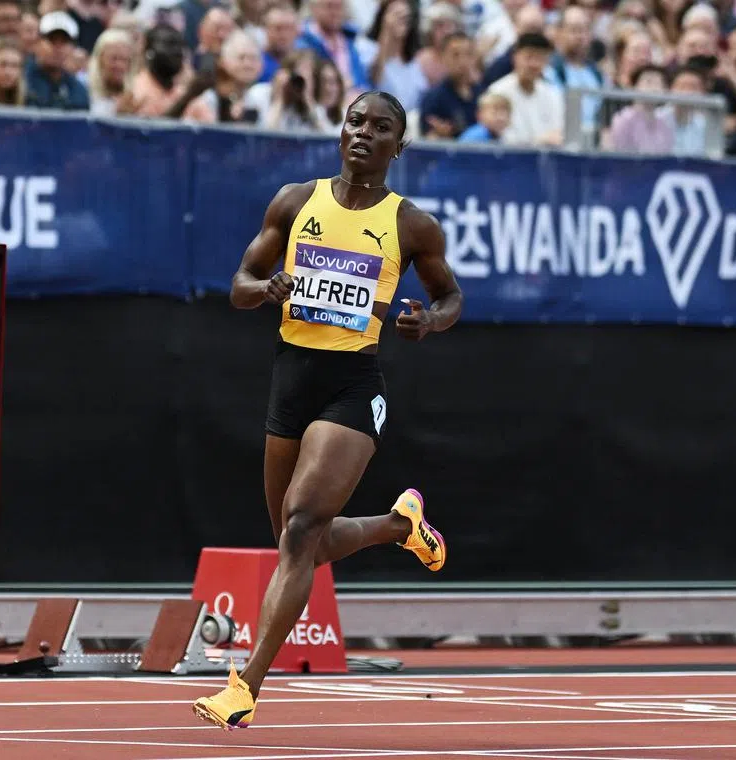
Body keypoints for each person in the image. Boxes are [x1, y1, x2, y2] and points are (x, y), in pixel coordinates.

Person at [191, 90, 462, 731]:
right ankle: (400, 526)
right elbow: (238, 287)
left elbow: (450, 296)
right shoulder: (294, 201)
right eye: (356, 121)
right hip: (292, 379)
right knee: (299, 542)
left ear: (400, 146)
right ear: (342, 132)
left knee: (301, 527)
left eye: (381, 127)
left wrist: (429, 321)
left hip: (351, 385)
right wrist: (267, 288)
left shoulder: (410, 225)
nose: (364, 133)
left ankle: (244, 686)